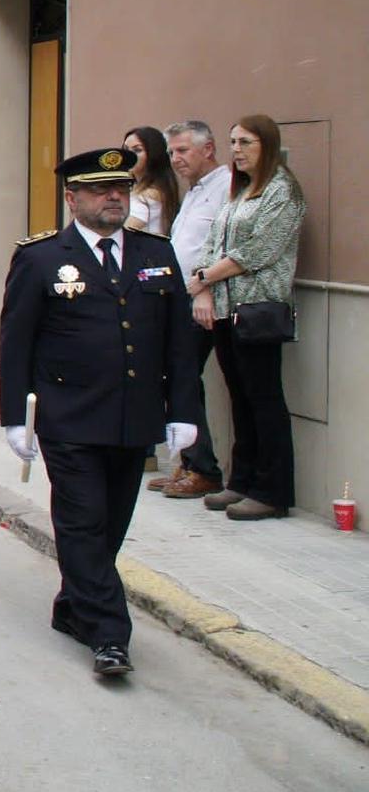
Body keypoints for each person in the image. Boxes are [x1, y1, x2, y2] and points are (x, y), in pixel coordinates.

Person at [0, 147, 199, 677]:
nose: (114, 198)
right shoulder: (41, 257)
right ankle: (111, 636)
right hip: (69, 418)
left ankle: (72, 608)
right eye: (100, 190)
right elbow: (16, 342)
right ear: (72, 198)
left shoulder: (155, 253)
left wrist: (184, 411)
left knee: (110, 526)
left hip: (133, 419)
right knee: (83, 524)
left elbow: (179, 341)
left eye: (121, 189)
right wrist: (16, 417)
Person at [191, 115, 307, 522]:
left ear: (267, 145)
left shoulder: (282, 192)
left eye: (246, 142)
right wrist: (203, 286)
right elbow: (212, 244)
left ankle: (271, 491)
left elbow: (258, 251)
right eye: (233, 142)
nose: (236, 150)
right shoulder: (237, 194)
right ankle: (241, 480)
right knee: (238, 399)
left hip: (257, 310)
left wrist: (203, 277)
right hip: (225, 311)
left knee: (264, 400)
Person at [150, 120, 233, 497]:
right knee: (175, 378)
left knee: (181, 377)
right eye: (171, 153)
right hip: (178, 296)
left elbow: (221, 246)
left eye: (183, 150)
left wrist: (204, 289)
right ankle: (186, 464)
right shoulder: (195, 191)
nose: (175, 159)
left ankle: (204, 470)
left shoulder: (226, 187)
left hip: (203, 300)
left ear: (209, 149)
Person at [123, 125, 181, 235]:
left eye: (137, 150)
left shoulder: (148, 195)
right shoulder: (161, 189)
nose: (129, 155)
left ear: (153, 154)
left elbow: (123, 233)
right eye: (125, 150)